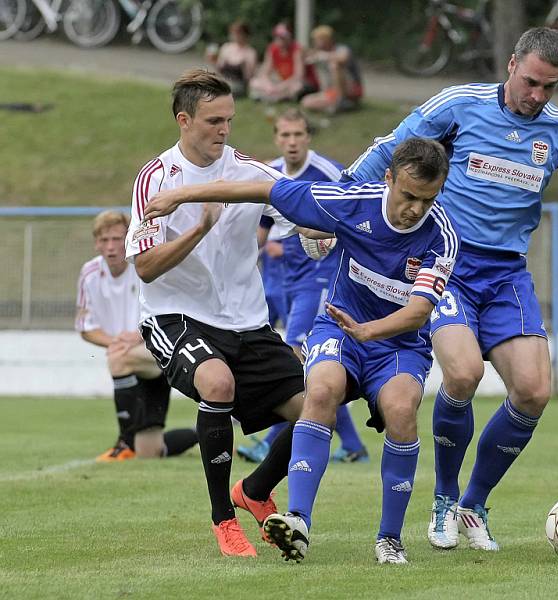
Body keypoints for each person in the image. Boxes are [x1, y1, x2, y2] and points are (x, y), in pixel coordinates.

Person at [343, 27, 558, 552]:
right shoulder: (459, 104)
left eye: (551, 87)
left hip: (506, 273)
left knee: (535, 391)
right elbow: (392, 149)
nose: (538, 96)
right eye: (532, 82)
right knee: (465, 371)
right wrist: (340, 202)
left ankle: (474, 503)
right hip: (445, 262)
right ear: (513, 64)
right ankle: (444, 499)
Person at [142, 137, 459, 565]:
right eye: (408, 196)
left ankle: (389, 539)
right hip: (341, 328)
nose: (416, 209)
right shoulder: (352, 201)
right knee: (321, 391)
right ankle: (298, 520)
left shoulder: (441, 235)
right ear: (389, 179)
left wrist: (369, 332)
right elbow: (260, 189)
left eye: (427, 199)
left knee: (402, 411)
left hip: (397, 343)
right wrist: (182, 194)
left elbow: (419, 313)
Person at [125, 69, 308, 557]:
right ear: (184, 120)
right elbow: (144, 267)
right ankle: (223, 520)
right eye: (212, 121)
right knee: (217, 383)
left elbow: (303, 211)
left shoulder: (251, 171)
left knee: (317, 408)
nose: (224, 130)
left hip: (247, 322)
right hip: (175, 317)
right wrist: (199, 229)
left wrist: (318, 232)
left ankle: (253, 490)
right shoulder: (156, 178)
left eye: (228, 119)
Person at [236, 109, 368, 465]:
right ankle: (353, 445)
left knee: (296, 355)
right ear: (277, 138)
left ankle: (270, 440)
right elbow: (261, 229)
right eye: (285, 136)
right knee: (305, 364)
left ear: (308, 136)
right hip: (282, 277)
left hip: (319, 278)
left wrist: (329, 238)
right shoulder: (271, 172)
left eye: (298, 135)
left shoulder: (328, 173)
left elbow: (355, 217)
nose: (292, 142)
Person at [76, 210, 198, 462]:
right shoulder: (89, 274)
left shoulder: (144, 266)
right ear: (96, 243)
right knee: (150, 452)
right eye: (104, 240)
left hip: (157, 352)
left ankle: (124, 442)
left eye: (117, 239)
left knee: (118, 358)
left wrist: (138, 336)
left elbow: (169, 309)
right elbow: (85, 327)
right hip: (132, 362)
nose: (111, 247)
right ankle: (201, 433)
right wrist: (118, 341)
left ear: (129, 238)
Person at [249, 22, 319, 103]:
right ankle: (276, 96)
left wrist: (280, 87)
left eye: (283, 37)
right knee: (254, 82)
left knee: (297, 87)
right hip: (283, 82)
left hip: (300, 82)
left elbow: (298, 75)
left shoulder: (297, 49)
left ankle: (272, 97)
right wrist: (269, 85)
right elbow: (265, 72)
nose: (280, 40)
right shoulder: (272, 49)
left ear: (289, 37)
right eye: (277, 37)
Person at [301, 25, 363, 114]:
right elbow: (306, 57)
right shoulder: (319, 52)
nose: (315, 42)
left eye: (317, 40)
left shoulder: (341, 48)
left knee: (334, 65)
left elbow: (343, 58)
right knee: (306, 102)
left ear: (326, 39)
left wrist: (323, 56)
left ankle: (341, 101)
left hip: (351, 88)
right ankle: (335, 106)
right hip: (332, 90)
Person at [206, 20, 258, 98]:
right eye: (233, 33)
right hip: (224, 80)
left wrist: (244, 65)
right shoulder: (226, 48)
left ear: (245, 35)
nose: (235, 36)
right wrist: (212, 61)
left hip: (238, 84)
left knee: (220, 89)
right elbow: (219, 69)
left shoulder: (250, 52)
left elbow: (249, 78)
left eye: (238, 33)